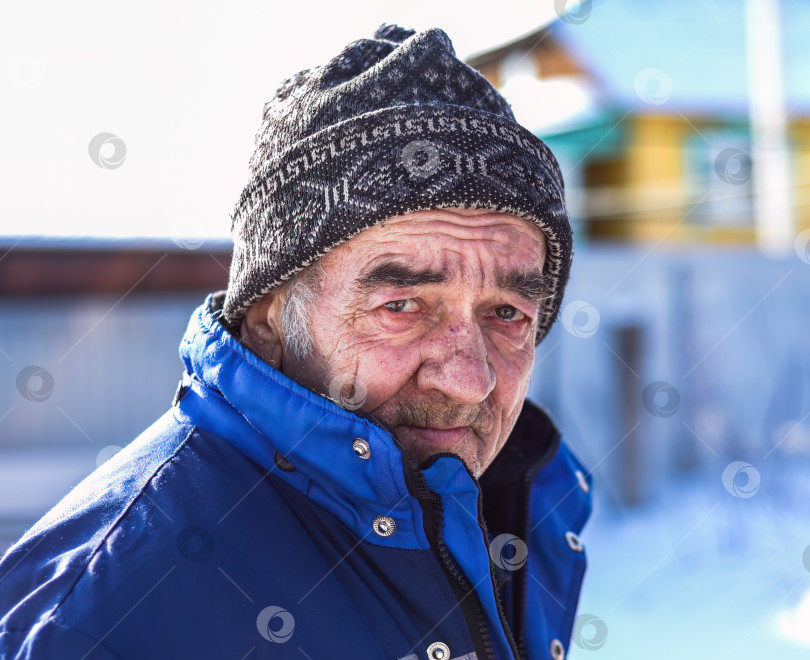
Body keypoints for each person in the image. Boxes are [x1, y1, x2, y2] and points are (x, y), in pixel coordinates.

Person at [0, 23, 591, 660]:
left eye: (507, 312)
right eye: (401, 305)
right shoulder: (100, 618)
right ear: (266, 317)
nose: (469, 378)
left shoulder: (515, 519)